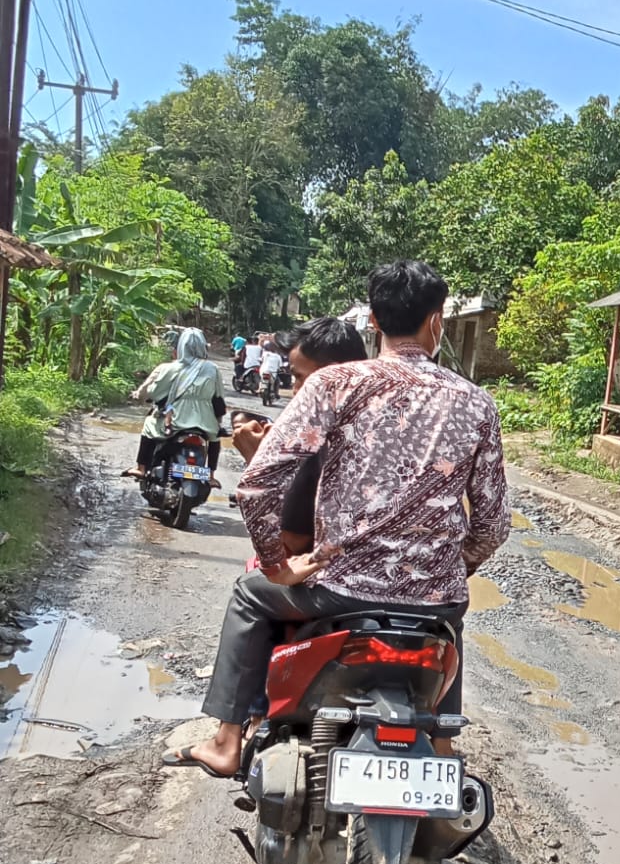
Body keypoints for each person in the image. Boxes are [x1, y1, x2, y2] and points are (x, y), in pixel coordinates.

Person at [165, 260, 510, 779]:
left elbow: (258, 483)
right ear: (438, 321)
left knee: (248, 595)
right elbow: (493, 523)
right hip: (433, 599)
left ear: (372, 320)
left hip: (338, 591)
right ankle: (439, 748)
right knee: (446, 621)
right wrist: (449, 567)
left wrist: (279, 567)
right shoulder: (477, 403)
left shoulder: (336, 384)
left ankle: (226, 741)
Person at [231, 316, 368, 552]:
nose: (295, 391)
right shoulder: (378, 427)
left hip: (329, 576)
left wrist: (258, 463)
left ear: (331, 377)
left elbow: (289, 544)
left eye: (300, 378)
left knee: (247, 586)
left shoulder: (318, 442)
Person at [125, 327, 224, 479]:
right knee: (215, 438)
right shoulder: (213, 369)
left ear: (181, 347)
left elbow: (155, 393)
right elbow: (218, 399)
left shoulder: (169, 368)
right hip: (204, 421)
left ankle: (141, 469)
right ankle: (210, 476)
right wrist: (217, 423)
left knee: (148, 426)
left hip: (175, 420)